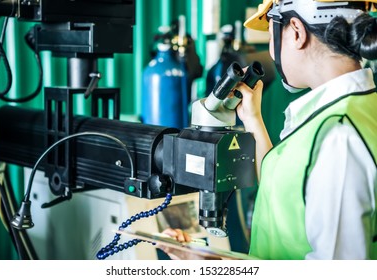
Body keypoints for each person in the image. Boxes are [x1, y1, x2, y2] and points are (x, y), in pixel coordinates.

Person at [160, 0, 377, 260]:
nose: (272, 53)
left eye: (271, 33)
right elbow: (287, 189)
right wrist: (252, 119)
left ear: (296, 32)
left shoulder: (339, 137)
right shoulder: (350, 110)